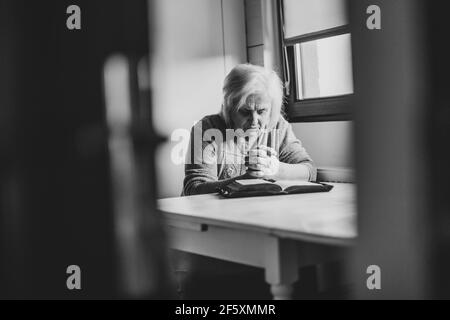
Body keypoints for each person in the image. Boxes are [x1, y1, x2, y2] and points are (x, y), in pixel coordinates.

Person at [182, 63, 316, 196]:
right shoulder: (206, 129)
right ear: (229, 108)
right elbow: (194, 189)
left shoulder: (279, 127)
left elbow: (309, 171)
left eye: (262, 111)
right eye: (245, 112)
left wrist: (276, 169)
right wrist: (247, 180)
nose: (254, 121)